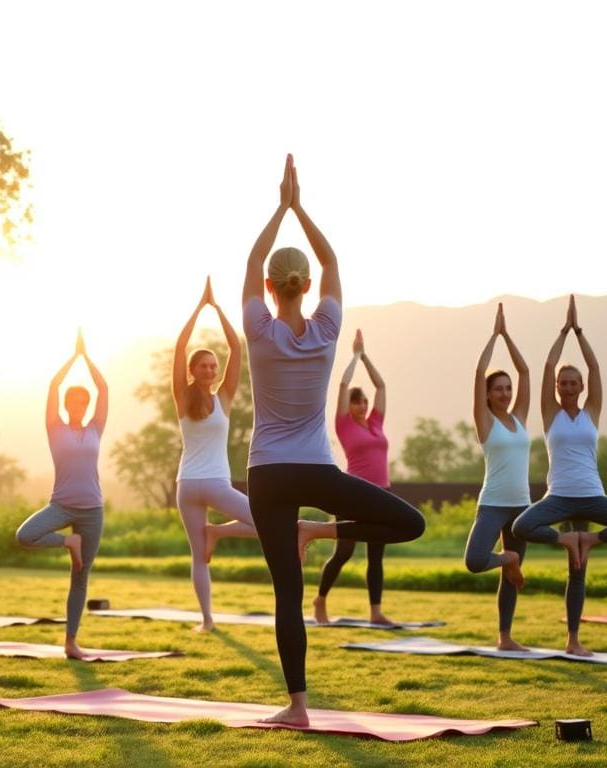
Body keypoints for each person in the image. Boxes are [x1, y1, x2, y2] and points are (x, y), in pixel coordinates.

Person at [243, 155, 425, 725]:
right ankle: (321, 528)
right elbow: (331, 259)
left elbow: (251, 259)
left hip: (267, 475)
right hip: (316, 470)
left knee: (286, 594)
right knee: (410, 523)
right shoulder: (326, 330)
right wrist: (301, 207)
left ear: (271, 287)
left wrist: (280, 208)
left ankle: (296, 706)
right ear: (308, 287)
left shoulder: (257, 326)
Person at [513, 295, 607, 656]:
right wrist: (563, 332)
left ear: (582, 387)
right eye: (565, 382)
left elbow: (594, 366)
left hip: (593, 495)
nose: (570, 386)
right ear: (558, 388)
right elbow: (547, 366)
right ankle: (569, 546)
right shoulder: (550, 413)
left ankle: (590, 543)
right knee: (521, 528)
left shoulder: (592, 410)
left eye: (575, 382)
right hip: (558, 496)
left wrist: (580, 331)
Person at [15, 330, 108, 659]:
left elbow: (104, 389)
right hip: (61, 506)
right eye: (73, 401)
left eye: (83, 402)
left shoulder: (96, 427)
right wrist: (72, 359)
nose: (79, 406)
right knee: (24, 535)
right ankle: (70, 543)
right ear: (67, 405)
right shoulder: (55, 427)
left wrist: (88, 358)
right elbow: (53, 387)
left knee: (81, 577)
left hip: (93, 510)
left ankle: (71, 642)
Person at [172, 277, 257, 632]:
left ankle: (216, 534)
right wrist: (198, 309)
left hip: (199, 485)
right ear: (192, 371)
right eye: (202, 365)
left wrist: (218, 309)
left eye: (212, 365)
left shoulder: (223, 397)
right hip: (194, 485)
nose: (209, 369)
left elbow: (236, 349)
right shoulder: (182, 396)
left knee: (262, 523)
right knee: (265, 523)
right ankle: (207, 620)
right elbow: (179, 348)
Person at [313, 329, 394, 626]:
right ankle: (320, 600)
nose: (361, 405)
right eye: (356, 401)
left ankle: (375, 612)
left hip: (383, 493)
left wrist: (367, 357)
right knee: (344, 552)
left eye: (363, 401)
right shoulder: (344, 425)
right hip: (354, 493)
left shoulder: (375, 423)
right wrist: (354, 356)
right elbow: (344, 383)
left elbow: (381, 385)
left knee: (376, 555)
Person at [463, 303, 530, 650]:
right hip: (492, 503)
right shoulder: (485, 421)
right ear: (488, 395)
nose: (505, 392)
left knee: (509, 581)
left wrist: (509, 336)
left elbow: (526, 372)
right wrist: (494, 337)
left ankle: (505, 637)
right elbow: (478, 373)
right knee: (475, 560)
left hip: (522, 505)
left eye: (507, 388)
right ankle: (510, 559)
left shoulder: (519, 417)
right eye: (498, 388)